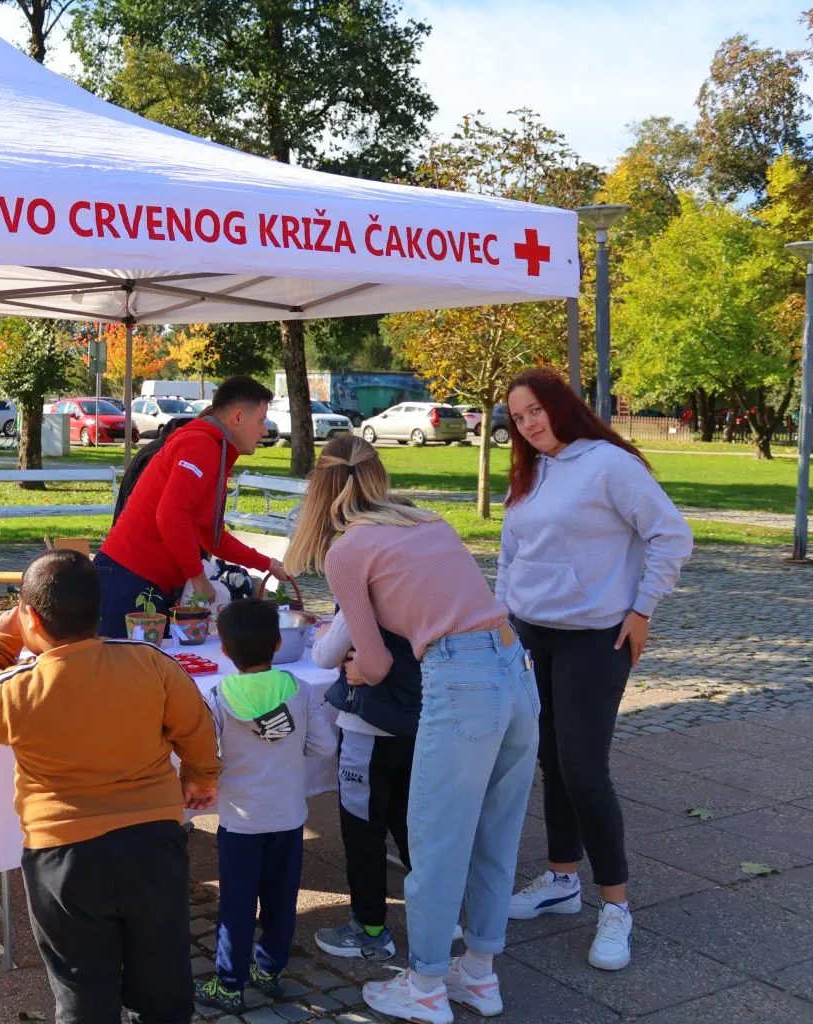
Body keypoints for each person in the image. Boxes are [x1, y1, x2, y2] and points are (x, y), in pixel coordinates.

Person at [287, 434, 539, 1023]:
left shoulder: (346, 552)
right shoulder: (429, 521)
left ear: (319, 492)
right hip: (514, 668)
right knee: (494, 838)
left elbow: (372, 664)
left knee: (436, 843)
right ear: (379, 476)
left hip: (463, 682)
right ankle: (478, 975)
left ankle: (425, 986)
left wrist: (351, 664)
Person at [0, 549, 220, 1024]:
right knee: (163, 984)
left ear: (29, 617)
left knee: (81, 992)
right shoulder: (148, 662)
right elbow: (196, 724)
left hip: (64, 857)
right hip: (153, 842)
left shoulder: (21, 684)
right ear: (99, 607)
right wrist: (199, 775)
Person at [499, 368, 692, 973]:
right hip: (534, 634)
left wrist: (641, 611)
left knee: (584, 771)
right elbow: (512, 554)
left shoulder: (609, 465)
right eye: (518, 417)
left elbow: (671, 534)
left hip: (594, 639)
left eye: (535, 411)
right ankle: (562, 880)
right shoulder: (530, 470)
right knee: (551, 761)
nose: (528, 425)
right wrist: (503, 620)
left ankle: (616, 907)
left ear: (560, 406)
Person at [193, 599, 336, 1014]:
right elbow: (324, 747)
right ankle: (270, 970)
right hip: (288, 818)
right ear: (278, 643)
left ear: (223, 648)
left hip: (240, 822)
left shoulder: (218, 698)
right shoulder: (302, 690)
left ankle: (229, 984)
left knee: (236, 905)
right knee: (281, 900)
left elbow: (208, 759)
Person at [96, 375, 288, 637]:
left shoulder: (213, 448)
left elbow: (212, 536)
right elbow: (171, 514)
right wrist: (198, 578)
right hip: (127, 578)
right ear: (238, 417)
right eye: (261, 420)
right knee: (125, 671)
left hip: (139, 579)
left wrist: (266, 563)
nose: (264, 430)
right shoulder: (202, 445)